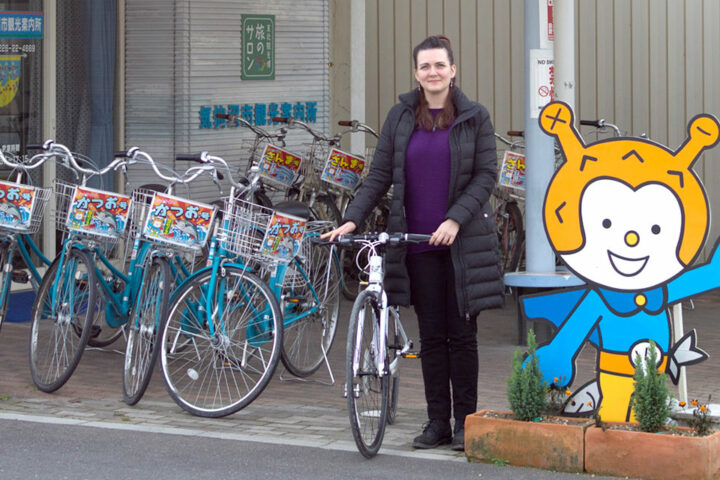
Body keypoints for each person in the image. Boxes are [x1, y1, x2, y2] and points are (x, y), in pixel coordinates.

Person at [323, 34, 503, 451]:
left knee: (462, 335)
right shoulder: (401, 117)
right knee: (432, 337)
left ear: (453, 70)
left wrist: (455, 219)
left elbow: (485, 176)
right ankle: (437, 422)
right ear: (416, 73)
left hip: (460, 246)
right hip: (416, 243)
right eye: (425, 66)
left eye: (440, 65)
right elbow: (379, 175)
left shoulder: (475, 117)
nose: (433, 72)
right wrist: (351, 219)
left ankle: (466, 423)